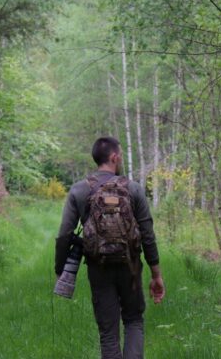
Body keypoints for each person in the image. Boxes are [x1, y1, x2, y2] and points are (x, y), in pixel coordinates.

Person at [55, 136, 165, 359]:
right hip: (131, 266)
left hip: (98, 268)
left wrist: (61, 270)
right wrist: (156, 274)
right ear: (114, 157)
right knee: (134, 321)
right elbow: (147, 234)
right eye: (120, 155)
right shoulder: (134, 189)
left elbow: (64, 234)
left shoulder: (78, 190)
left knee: (108, 333)